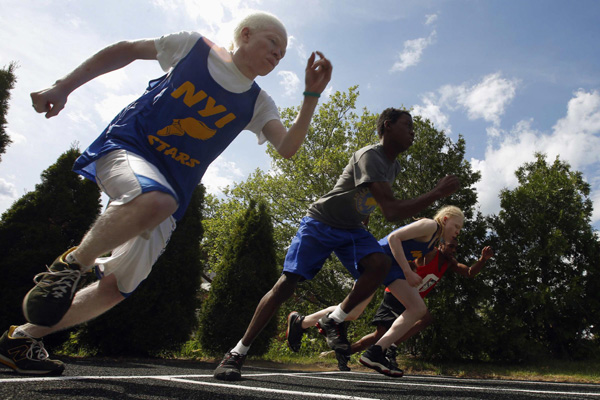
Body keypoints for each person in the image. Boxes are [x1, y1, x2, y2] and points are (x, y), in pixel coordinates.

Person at [0, 11, 332, 376]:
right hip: (127, 149)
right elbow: (126, 50)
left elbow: (286, 147)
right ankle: (73, 264)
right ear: (246, 34)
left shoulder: (258, 102)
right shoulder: (194, 48)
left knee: (118, 287)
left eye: (283, 53)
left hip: (169, 198)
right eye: (273, 43)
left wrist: (311, 95)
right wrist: (63, 86)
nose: (278, 54)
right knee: (155, 199)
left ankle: (21, 339)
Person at [213, 108, 460, 381]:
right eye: (407, 125)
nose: (413, 132)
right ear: (388, 126)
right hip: (321, 222)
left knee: (379, 263)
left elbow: (372, 199)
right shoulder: (371, 155)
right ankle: (237, 352)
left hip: (352, 230)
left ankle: (334, 319)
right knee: (287, 283)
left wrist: (363, 216)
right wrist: (437, 192)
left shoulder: (394, 166)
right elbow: (391, 211)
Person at [286, 205, 466, 376]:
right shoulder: (430, 225)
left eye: (460, 228)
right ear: (445, 219)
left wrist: (409, 268)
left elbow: (407, 251)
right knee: (353, 311)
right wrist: (406, 271)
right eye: (456, 225)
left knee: (417, 309)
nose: (458, 231)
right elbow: (393, 238)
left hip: (391, 268)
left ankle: (376, 351)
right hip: (377, 261)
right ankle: (301, 322)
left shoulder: (433, 241)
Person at [288, 238, 493, 373]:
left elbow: (469, 272)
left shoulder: (448, 263)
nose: (454, 250)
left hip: (410, 301)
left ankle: (354, 350)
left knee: (385, 331)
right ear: (439, 245)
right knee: (362, 319)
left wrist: (482, 260)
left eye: (456, 247)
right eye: (451, 246)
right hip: (396, 294)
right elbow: (411, 249)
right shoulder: (429, 253)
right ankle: (382, 347)